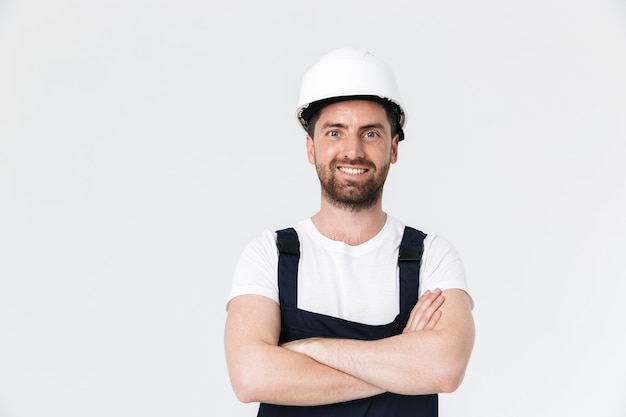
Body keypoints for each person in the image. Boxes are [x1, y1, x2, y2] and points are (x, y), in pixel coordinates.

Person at [224, 47, 475, 417]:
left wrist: (307, 350)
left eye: (370, 133)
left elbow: (444, 369)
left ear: (393, 148)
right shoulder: (268, 255)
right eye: (334, 132)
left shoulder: (432, 257)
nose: (352, 150)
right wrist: (403, 361)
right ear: (311, 148)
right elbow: (249, 377)